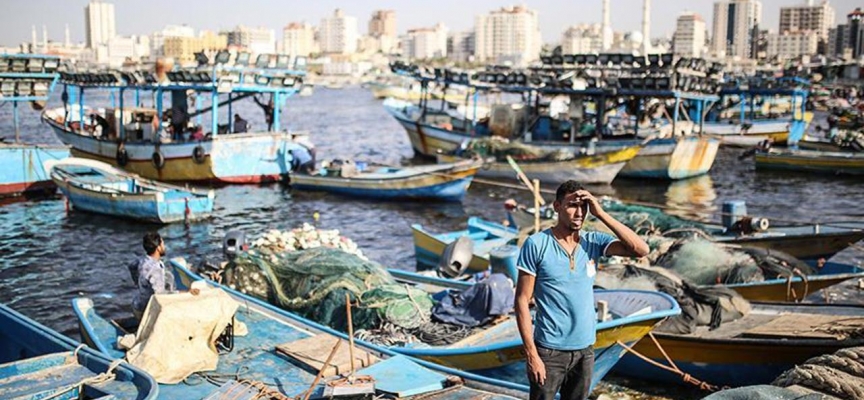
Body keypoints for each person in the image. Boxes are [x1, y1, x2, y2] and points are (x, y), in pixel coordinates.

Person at [515, 180, 649, 400]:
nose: (579, 213)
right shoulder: (537, 244)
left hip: (585, 350)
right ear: (557, 207)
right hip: (549, 351)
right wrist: (532, 354)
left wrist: (600, 212)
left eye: (583, 207)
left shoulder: (592, 242)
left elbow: (641, 250)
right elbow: (521, 300)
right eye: (572, 205)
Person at [127, 232, 175, 321]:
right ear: (158, 248)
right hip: (146, 311)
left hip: (137, 304)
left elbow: (131, 266)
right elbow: (160, 296)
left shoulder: (143, 260)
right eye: (163, 244)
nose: (165, 247)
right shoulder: (156, 269)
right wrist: (182, 293)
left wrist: (138, 282)